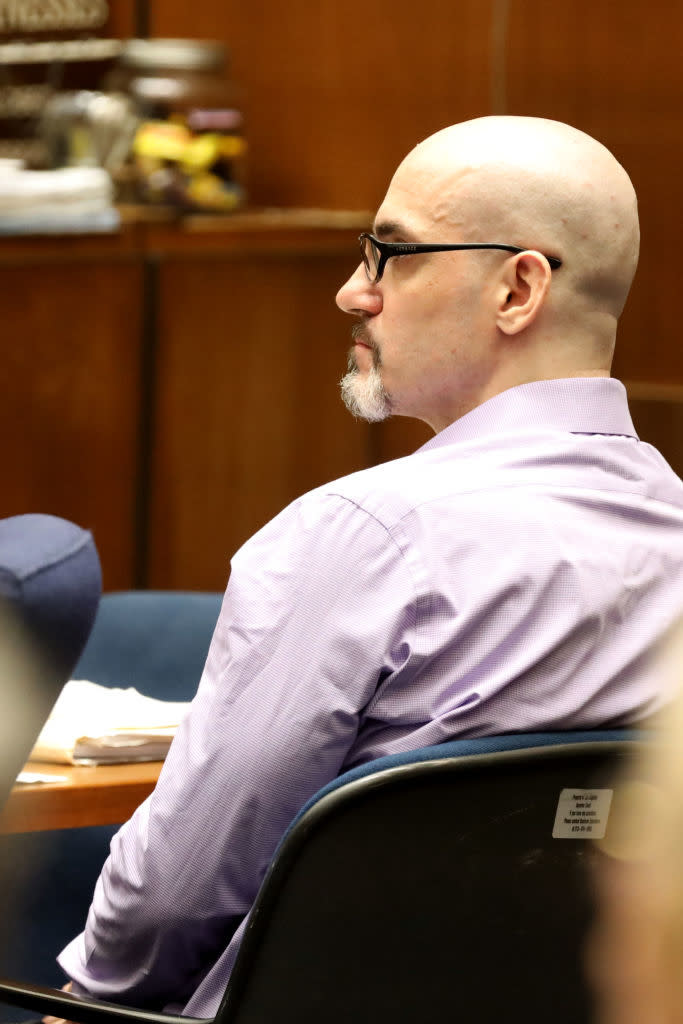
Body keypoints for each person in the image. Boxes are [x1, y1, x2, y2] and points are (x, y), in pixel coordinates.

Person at [58, 115, 683, 1017]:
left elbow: (173, 896)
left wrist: (82, 1002)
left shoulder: (359, 537)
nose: (353, 293)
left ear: (517, 288)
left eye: (391, 254)